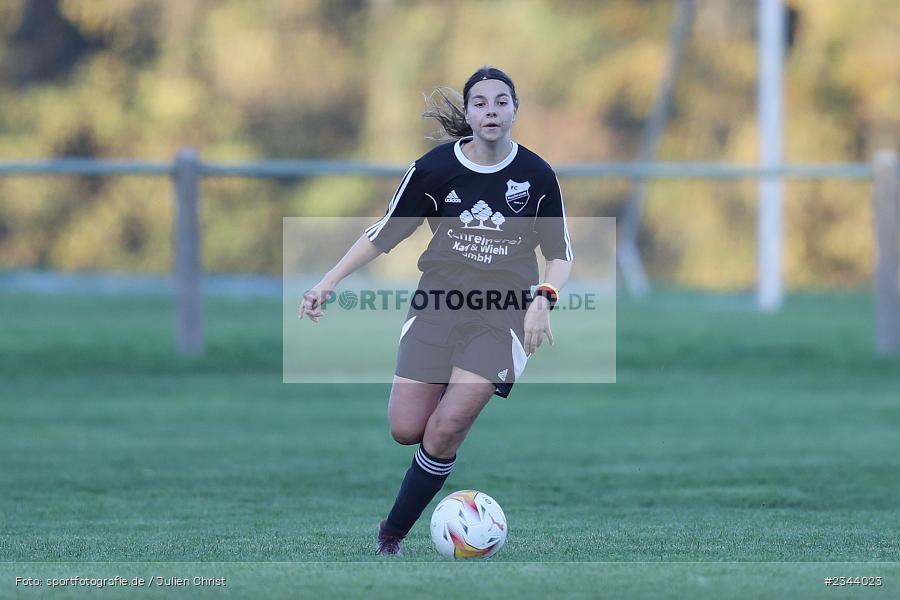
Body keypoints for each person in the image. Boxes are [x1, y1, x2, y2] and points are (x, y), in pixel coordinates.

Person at [298, 66, 573, 556]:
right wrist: (328, 281)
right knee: (406, 429)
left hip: (501, 314)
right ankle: (454, 386)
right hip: (437, 306)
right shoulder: (433, 169)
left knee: (446, 429)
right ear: (468, 112)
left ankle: (391, 535)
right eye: (481, 103)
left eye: (501, 101)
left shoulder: (537, 175)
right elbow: (383, 233)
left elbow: (561, 254)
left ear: (515, 110)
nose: (491, 111)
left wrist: (543, 298)